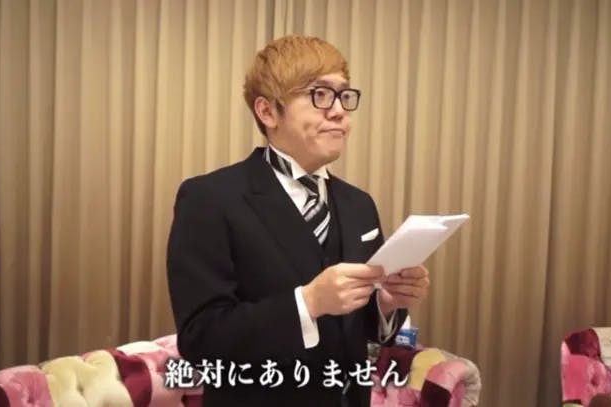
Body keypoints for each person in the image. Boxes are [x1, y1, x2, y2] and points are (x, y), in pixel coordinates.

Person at [166, 35, 430, 407]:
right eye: (319, 95)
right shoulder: (210, 198)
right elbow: (201, 338)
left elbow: (364, 329)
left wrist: (387, 304)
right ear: (267, 112)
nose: (338, 111)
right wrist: (307, 303)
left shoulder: (358, 205)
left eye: (344, 95)